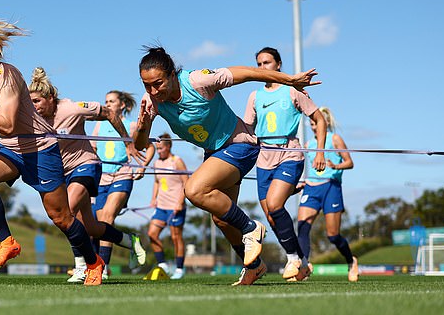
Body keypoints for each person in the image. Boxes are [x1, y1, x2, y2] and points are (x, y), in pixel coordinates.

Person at [132, 46, 321, 286]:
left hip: (240, 144)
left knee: (194, 190)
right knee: (221, 219)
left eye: (157, 83)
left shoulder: (198, 80)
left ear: (171, 75)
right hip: (214, 152)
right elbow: (139, 144)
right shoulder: (151, 102)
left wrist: (289, 80)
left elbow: (249, 73)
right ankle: (253, 266)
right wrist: (143, 123)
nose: (152, 90)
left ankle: (251, 229)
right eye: (146, 85)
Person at [0, 17, 104, 286]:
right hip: (9, 147)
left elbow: (6, 124)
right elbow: (4, 130)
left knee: (61, 218)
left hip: (41, 149)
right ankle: (8, 243)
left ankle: (93, 262)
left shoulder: (7, 75)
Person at [28, 67, 147, 283]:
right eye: (31, 102)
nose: (34, 107)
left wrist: (127, 143)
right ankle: (129, 241)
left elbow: (109, 113)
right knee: (90, 226)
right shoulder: (35, 118)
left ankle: (83, 266)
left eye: (37, 101)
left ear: (50, 98)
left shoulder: (73, 109)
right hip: (63, 173)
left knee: (68, 211)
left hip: (86, 165)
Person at [242, 46, 327, 282]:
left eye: (266, 63)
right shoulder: (254, 97)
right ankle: (303, 262)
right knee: (271, 215)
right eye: (258, 64)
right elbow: (248, 130)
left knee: (275, 204)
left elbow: (319, 120)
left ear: (278, 65)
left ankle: (292, 259)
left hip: (290, 154)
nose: (262, 68)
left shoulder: (293, 91)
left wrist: (319, 152)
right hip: (263, 158)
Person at [92, 90, 155, 278]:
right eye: (105, 101)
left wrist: (143, 167)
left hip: (122, 175)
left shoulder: (131, 125)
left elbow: (150, 146)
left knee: (107, 219)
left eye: (111, 101)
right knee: (98, 226)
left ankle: (102, 268)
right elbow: (93, 149)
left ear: (122, 105)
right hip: (101, 178)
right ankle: (130, 241)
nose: (108, 104)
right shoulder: (99, 126)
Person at [297, 107, 358, 282]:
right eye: (312, 123)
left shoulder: (335, 139)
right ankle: (304, 266)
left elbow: (349, 163)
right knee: (302, 227)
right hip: (311, 188)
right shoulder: (309, 145)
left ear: (327, 123)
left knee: (333, 236)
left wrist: (335, 166)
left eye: (316, 122)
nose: (314, 126)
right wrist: (302, 180)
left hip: (331, 187)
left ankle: (351, 261)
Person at [147, 133, 189, 280]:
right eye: (157, 149)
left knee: (176, 237)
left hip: (176, 206)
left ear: (169, 146)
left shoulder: (177, 161)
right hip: (161, 207)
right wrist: (153, 198)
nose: (158, 151)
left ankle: (179, 268)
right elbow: (157, 182)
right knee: (152, 234)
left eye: (161, 149)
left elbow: (186, 183)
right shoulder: (157, 163)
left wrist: (180, 202)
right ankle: (163, 264)